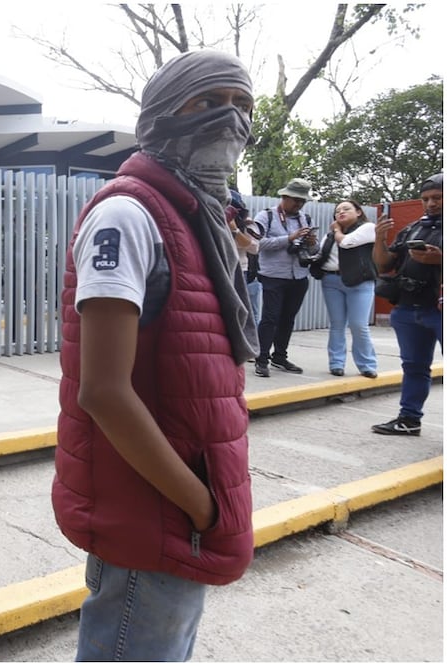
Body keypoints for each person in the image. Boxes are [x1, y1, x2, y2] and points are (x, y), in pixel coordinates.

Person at [52, 50, 258, 661]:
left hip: (183, 491)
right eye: (207, 102)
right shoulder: (130, 213)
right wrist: (198, 504)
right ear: (163, 113)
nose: (229, 120)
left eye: (241, 106)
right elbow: (104, 391)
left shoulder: (198, 218)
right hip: (159, 503)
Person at [371, 173, 443, 436]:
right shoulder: (413, 227)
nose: (431, 204)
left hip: (439, 310)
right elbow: (384, 264)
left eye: (437, 197)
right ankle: (409, 420)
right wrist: (380, 238)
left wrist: (440, 260)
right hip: (408, 309)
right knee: (413, 367)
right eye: (426, 199)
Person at [252, 177, 319, 377]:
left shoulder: (306, 219)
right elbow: (258, 244)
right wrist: (289, 238)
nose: (298, 204)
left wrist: (312, 242)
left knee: (288, 319)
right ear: (284, 196)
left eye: (302, 201)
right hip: (273, 276)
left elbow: (313, 249)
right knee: (270, 318)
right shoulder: (265, 216)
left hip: (299, 276)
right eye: (295, 200)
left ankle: (279, 357)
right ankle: (261, 358)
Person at [311, 199, 379, 377]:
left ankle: (367, 365)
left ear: (358, 212)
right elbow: (320, 254)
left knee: (358, 325)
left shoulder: (368, 228)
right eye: (338, 210)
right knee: (337, 324)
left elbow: (347, 242)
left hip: (360, 282)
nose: (341, 212)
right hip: (332, 281)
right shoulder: (330, 236)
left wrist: (336, 230)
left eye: (346, 209)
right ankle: (336, 363)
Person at [227, 188, 263, 325]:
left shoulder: (246, 223)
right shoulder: (212, 218)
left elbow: (254, 247)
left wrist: (235, 230)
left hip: (242, 271)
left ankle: (251, 344)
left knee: (248, 314)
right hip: (221, 269)